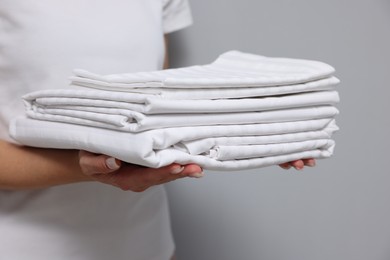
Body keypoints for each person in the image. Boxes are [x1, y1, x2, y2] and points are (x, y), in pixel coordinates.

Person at [0, 1, 315, 259]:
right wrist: (90, 165)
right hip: (25, 244)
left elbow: (155, 107)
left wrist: (259, 132)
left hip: (146, 242)